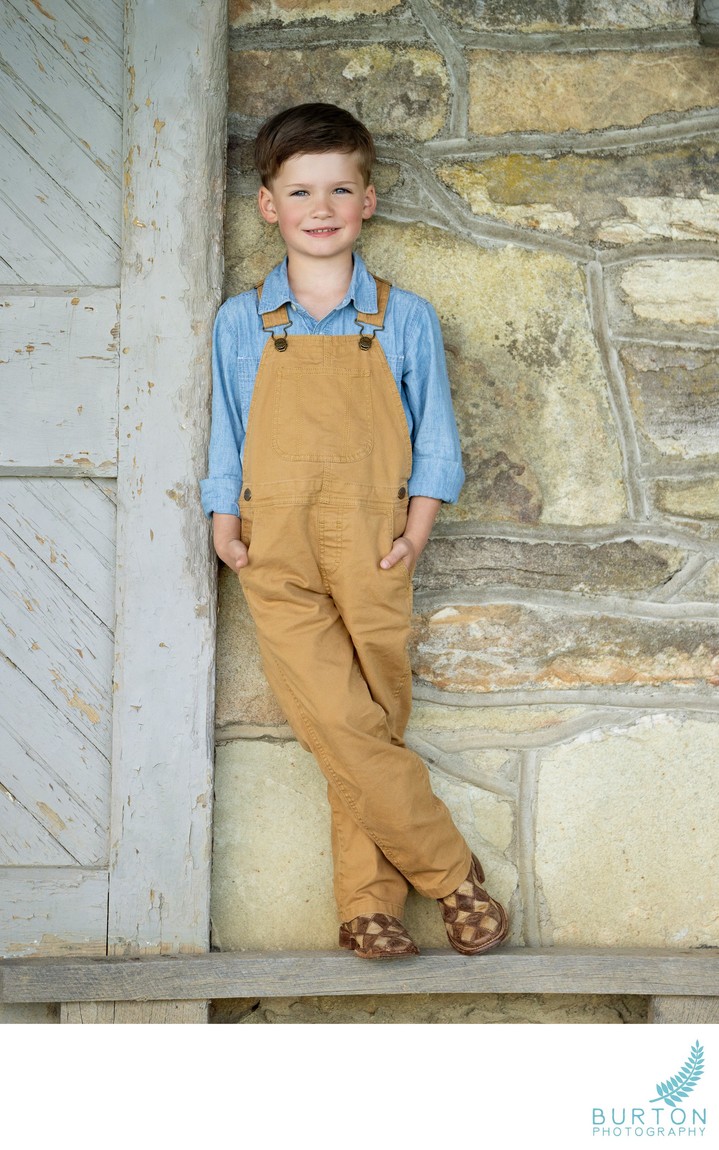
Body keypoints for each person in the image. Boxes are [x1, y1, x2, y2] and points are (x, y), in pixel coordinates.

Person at [200, 102, 508, 959]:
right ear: (270, 206)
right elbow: (226, 429)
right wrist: (226, 525)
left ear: (367, 200)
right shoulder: (242, 322)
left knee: (364, 725)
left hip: (376, 541)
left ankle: (366, 905)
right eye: (300, 190)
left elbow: (436, 435)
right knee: (339, 722)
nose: (321, 205)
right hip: (273, 545)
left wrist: (416, 533)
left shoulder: (402, 317)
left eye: (340, 187)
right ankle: (452, 875)